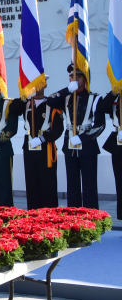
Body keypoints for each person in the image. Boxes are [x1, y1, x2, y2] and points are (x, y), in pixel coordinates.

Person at [47, 64, 105, 209]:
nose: (74, 79)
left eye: (78, 76)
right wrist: (67, 90)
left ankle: (91, 217)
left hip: (88, 146)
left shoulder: (95, 98)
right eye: (71, 76)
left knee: (89, 184)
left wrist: (84, 138)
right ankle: (73, 216)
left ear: (85, 79)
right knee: (72, 184)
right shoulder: (66, 97)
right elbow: (50, 100)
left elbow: (100, 125)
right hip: (70, 146)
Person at [10, 77, 64, 210]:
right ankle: (33, 214)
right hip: (29, 147)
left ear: (45, 85)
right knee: (31, 182)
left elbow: (58, 129)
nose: (36, 86)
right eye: (33, 83)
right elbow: (13, 109)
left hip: (46, 147)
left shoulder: (52, 104)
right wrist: (25, 96)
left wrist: (43, 139)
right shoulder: (26, 103)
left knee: (48, 182)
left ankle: (49, 214)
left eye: (39, 83)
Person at [100, 89, 122, 219]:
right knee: (120, 181)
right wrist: (114, 92)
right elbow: (103, 107)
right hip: (118, 142)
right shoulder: (116, 96)